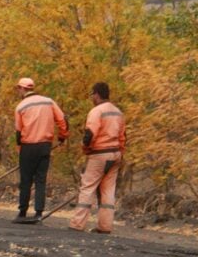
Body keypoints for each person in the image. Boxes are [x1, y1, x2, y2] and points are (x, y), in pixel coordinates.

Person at [69, 82, 125, 234]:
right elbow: (123, 137)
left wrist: (86, 149)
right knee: (108, 191)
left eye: (92, 94)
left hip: (99, 153)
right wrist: (120, 153)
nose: (91, 97)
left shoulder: (96, 111)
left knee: (87, 188)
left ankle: (77, 224)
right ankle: (105, 226)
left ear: (97, 94)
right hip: (116, 154)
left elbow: (89, 135)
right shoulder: (118, 112)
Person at [13, 77, 69, 224]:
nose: (18, 91)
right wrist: (62, 137)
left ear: (22, 88)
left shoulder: (21, 106)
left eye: (18, 88)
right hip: (45, 145)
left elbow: (18, 132)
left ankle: (22, 212)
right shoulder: (48, 101)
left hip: (28, 146)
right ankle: (38, 213)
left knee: (26, 180)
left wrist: (20, 148)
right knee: (40, 180)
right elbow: (63, 120)